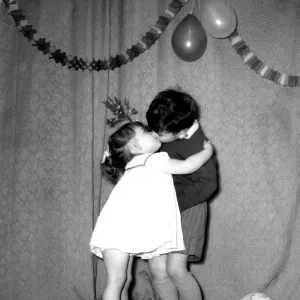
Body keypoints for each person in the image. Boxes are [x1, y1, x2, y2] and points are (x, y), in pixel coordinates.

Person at [90, 121, 214, 300]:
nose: (152, 132)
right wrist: (207, 152)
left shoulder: (129, 169)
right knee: (118, 280)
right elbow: (188, 165)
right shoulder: (152, 160)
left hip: (110, 230)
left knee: (120, 280)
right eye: (146, 131)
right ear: (136, 145)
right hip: (119, 230)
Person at [146, 88, 218, 300]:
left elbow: (208, 184)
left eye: (158, 133)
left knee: (176, 269)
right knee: (157, 270)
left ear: (182, 133)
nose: (153, 135)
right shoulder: (165, 128)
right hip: (165, 204)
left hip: (190, 205)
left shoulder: (197, 143)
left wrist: (174, 204)